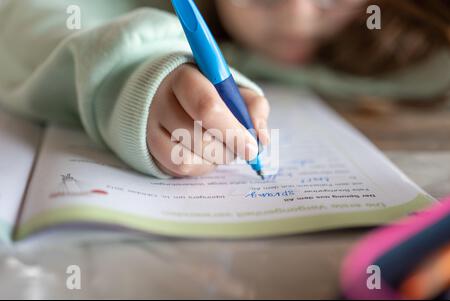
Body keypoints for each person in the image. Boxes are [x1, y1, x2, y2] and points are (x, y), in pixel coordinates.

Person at [0, 0, 448, 178]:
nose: (295, 13)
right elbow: (32, 15)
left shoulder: (408, 45)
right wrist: (132, 75)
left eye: (328, 7)